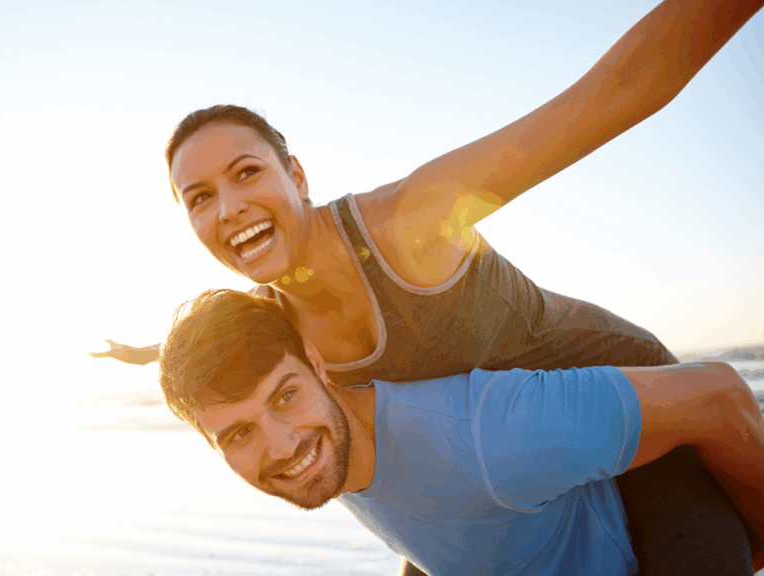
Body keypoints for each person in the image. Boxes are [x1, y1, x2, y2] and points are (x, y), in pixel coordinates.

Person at [91, 1, 764, 573]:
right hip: (494, 476)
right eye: (199, 197)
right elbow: (220, 350)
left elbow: (616, 89)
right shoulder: (277, 322)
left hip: (621, 393)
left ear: (296, 174)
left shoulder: (409, 224)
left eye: (245, 173)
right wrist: (150, 352)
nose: (229, 207)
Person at [158, 289, 764, 575]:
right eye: (237, 434)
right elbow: (439, 518)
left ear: (318, 367)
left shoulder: (489, 434)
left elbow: (717, 395)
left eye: (285, 396)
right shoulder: (327, 454)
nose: (282, 445)